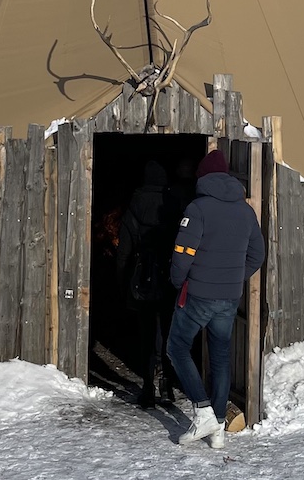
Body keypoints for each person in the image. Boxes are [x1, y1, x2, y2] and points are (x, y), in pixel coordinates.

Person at [166, 149, 265, 449]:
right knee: (220, 356)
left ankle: (203, 410)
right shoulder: (246, 211)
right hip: (228, 298)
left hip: (198, 295)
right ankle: (219, 426)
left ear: (204, 177)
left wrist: (178, 281)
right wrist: (234, 277)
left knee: (176, 347)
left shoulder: (197, 209)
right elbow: (257, 255)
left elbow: (182, 255)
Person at [115, 161, 182, 407]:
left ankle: (147, 388)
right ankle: (167, 386)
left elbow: (123, 251)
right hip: (168, 277)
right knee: (168, 332)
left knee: (146, 335)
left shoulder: (133, 207)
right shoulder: (172, 206)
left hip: (141, 280)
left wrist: (123, 283)